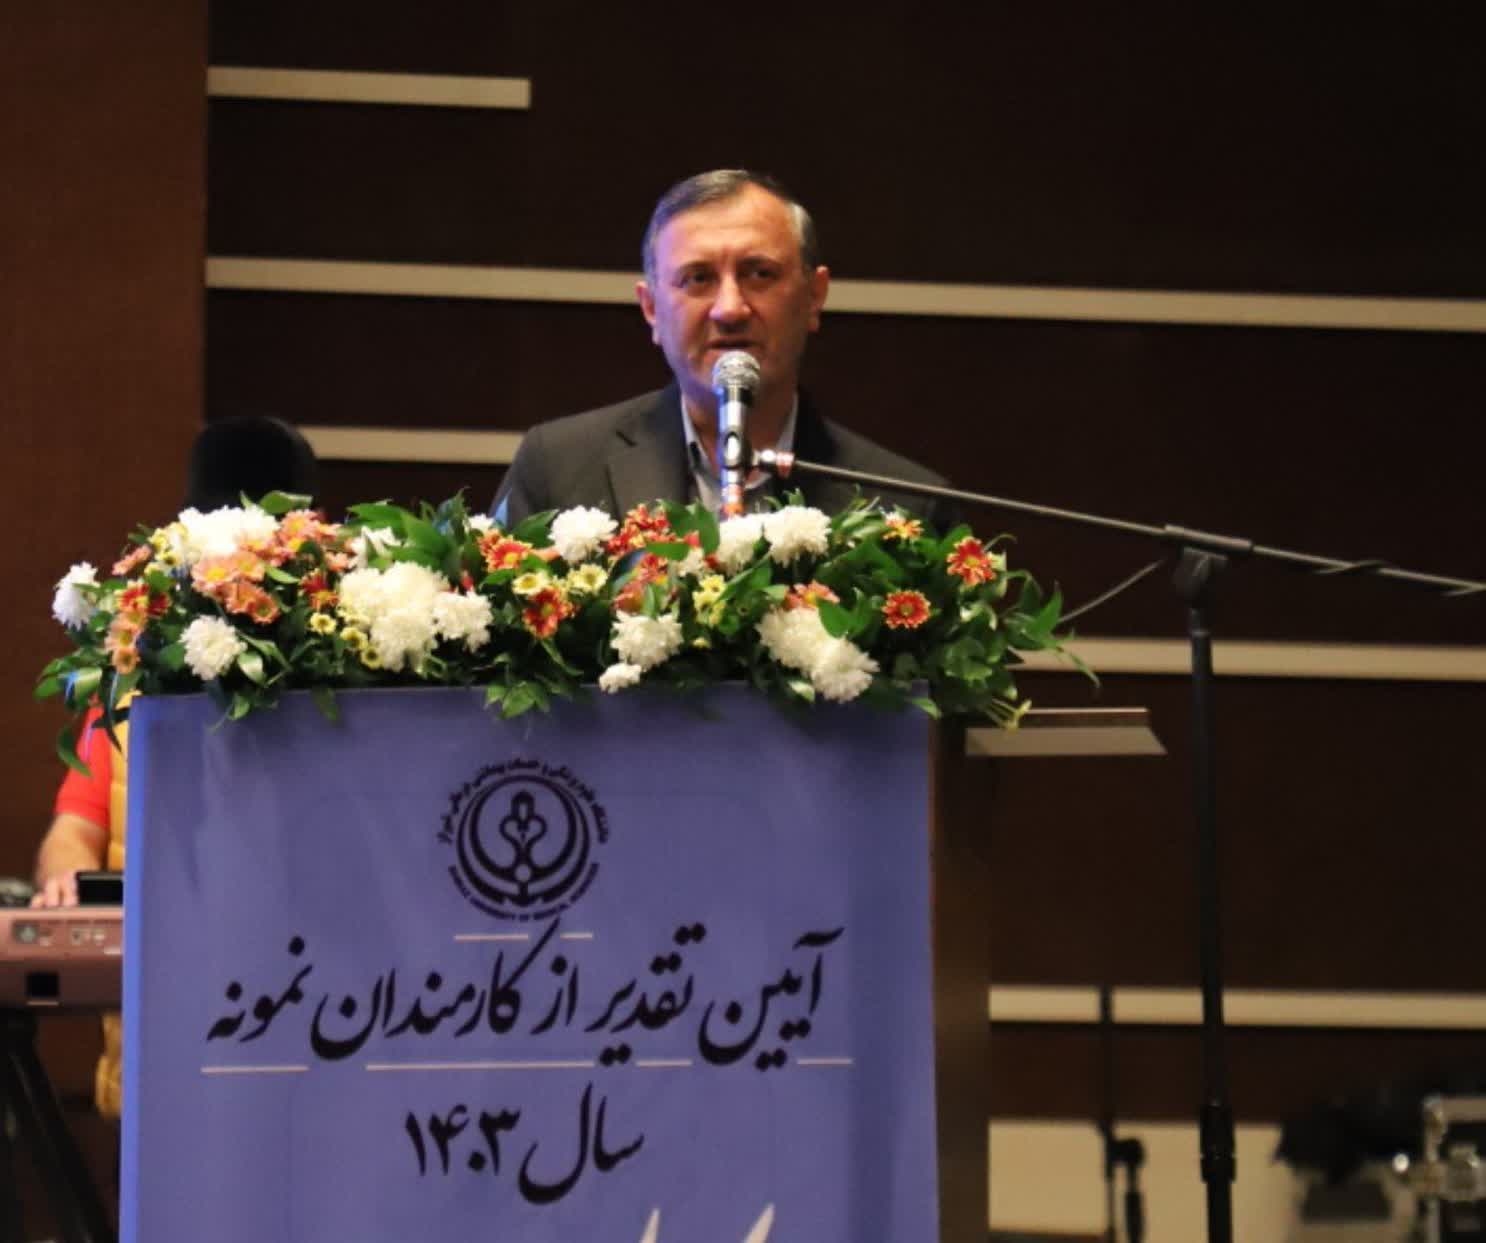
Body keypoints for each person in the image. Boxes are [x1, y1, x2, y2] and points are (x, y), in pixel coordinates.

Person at [32, 415, 319, 1118]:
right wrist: (68, 878)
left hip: (312, 1047)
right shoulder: (128, 690)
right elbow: (73, 831)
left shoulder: (342, 692)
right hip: (156, 1068)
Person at [492, 169, 955, 528]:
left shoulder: (907, 506)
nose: (729, 309)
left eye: (759, 274)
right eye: (698, 278)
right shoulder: (558, 469)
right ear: (651, 309)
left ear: (814, 296)